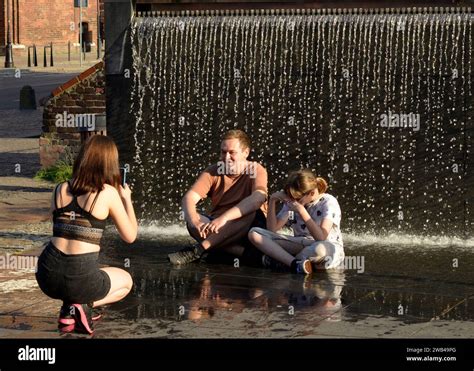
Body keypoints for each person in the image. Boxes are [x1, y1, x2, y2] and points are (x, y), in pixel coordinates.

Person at [35, 135, 138, 334]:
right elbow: (130, 236)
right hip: (80, 276)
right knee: (126, 281)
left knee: (83, 271)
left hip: (46, 275)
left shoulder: (59, 188)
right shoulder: (107, 192)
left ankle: (67, 311)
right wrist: (127, 199)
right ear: (109, 163)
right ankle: (83, 305)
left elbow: (61, 231)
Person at [167, 129, 268, 265]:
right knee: (192, 220)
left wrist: (224, 218)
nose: (226, 158)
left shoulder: (256, 170)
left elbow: (257, 199)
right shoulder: (213, 171)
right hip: (218, 227)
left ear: (246, 153)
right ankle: (248, 255)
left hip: (247, 227)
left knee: (250, 213)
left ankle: (199, 250)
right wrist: (194, 222)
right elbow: (189, 198)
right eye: (223, 152)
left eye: (232, 153)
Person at [248, 169, 344, 275]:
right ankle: (294, 263)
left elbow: (321, 237)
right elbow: (272, 229)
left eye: (297, 199)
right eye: (291, 198)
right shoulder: (293, 202)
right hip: (300, 243)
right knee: (255, 233)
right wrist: (272, 201)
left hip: (327, 247)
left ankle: (280, 260)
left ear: (311, 193)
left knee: (319, 250)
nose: (293, 201)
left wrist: (302, 211)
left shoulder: (328, 202)